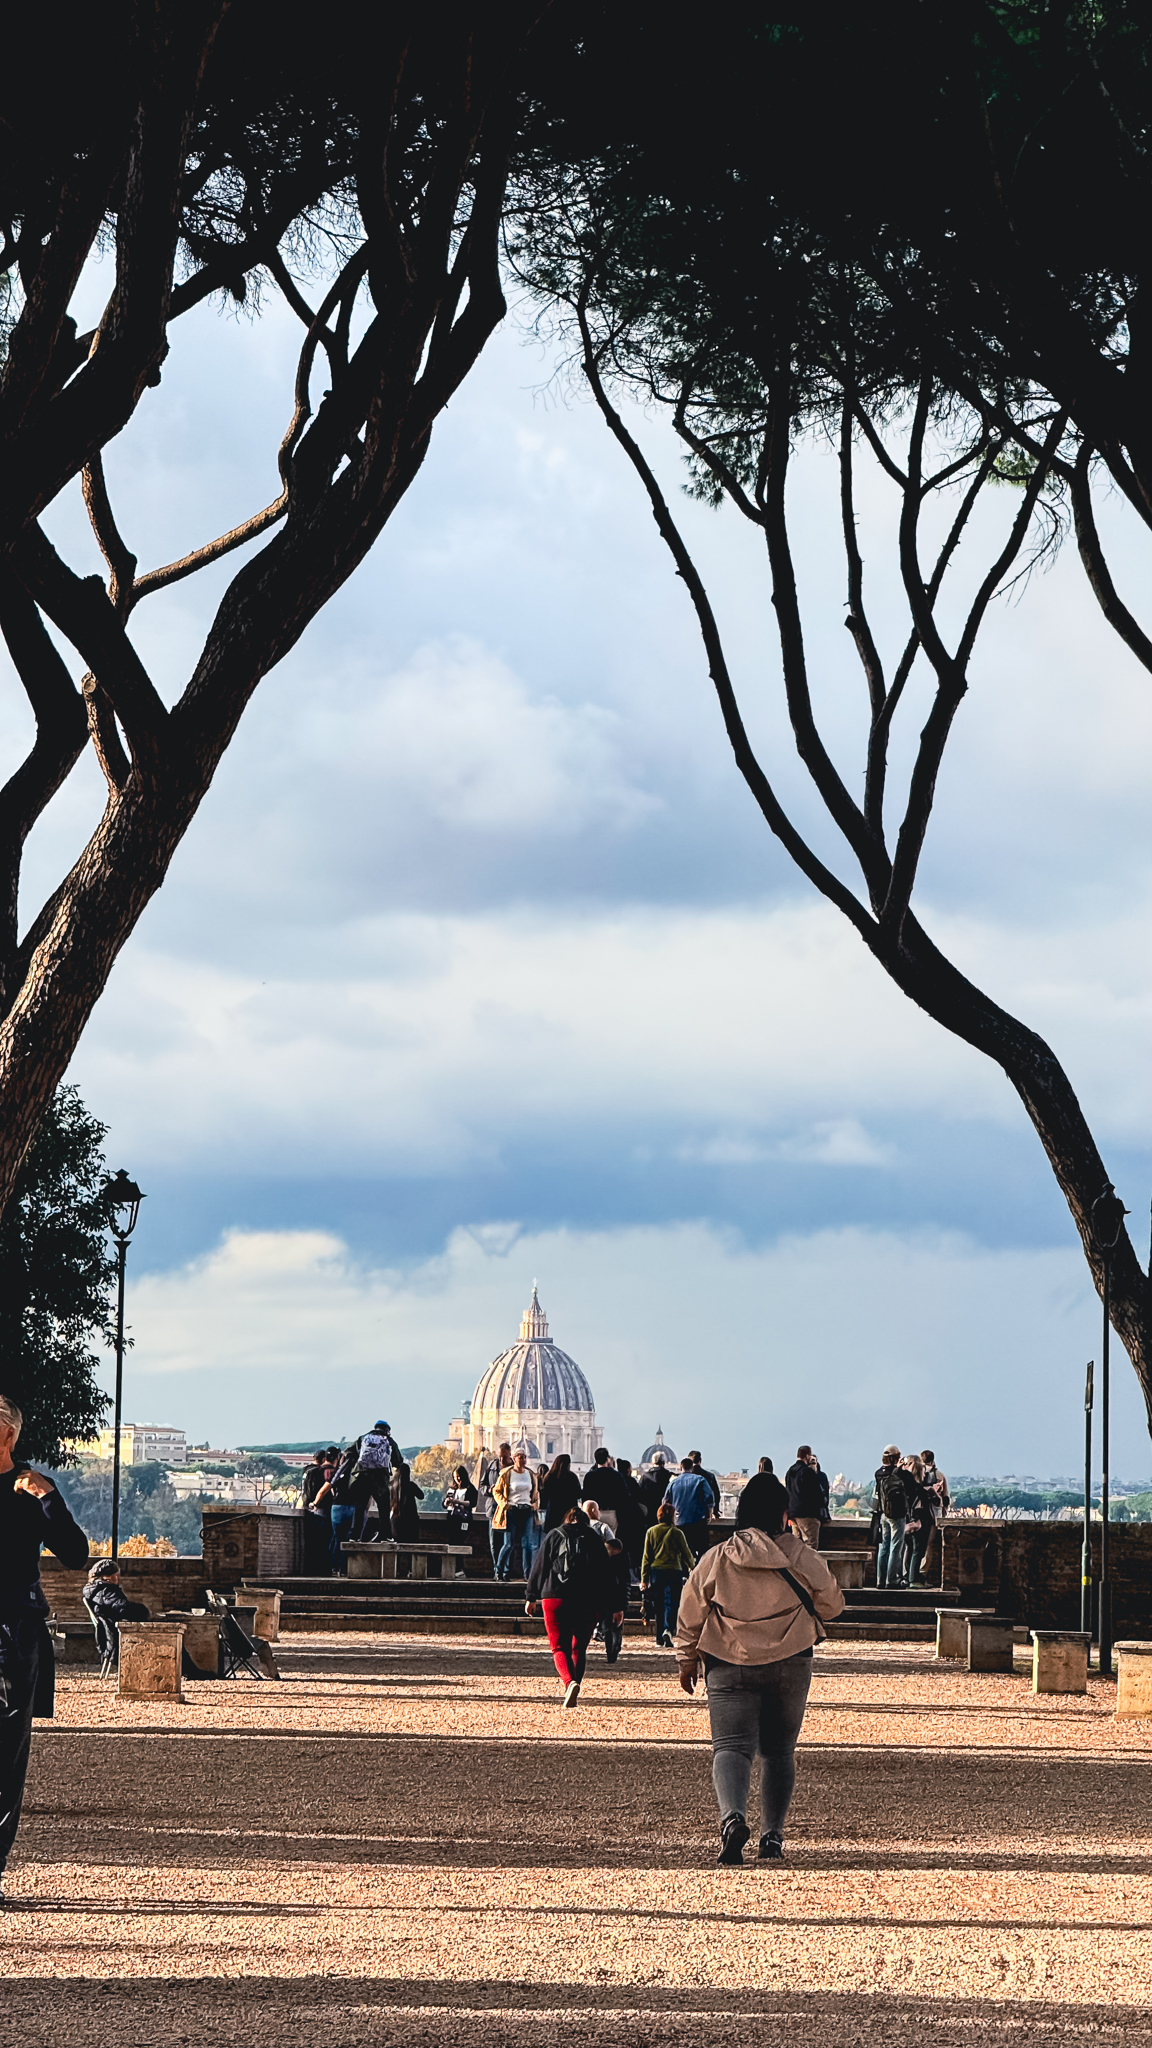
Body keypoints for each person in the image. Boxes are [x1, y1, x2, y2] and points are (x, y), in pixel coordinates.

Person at [675, 1466, 844, 1865]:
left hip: (728, 1658)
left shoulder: (718, 1558)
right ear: (784, 1514)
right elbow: (833, 1605)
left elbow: (690, 1611)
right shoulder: (800, 1555)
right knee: (779, 1752)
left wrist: (686, 1658)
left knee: (731, 1748)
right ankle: (772, 1836)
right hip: (791, 1659)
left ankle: (732, 1818)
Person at [0, 1392, 89, 1906]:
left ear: (7, 1434)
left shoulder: (32, 1490)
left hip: (15, 1629)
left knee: (6, 1751)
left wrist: (49, 1497)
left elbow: (76, 1555)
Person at [525, 1505, 622, 1708]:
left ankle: (569, 1683)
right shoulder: (594, 1538)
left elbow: (540, 1566)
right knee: (579, 1648)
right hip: (588, 1598)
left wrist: (531, 1596)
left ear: (566, 1519)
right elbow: (607, 1574)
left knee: (559, 1646)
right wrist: (616, 1605)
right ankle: (575, 1684)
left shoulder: (553, 1535)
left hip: (555, 1596)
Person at [640, 1500, 696, 1646]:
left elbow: (646, 1557)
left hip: (656, 1571)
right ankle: (668, 1629)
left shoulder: (651, 1532)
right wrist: (693, 1568)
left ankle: (659, 1637)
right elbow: (686, 1553)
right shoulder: (677, 1533)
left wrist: (644, 1579)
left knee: (658, 1604)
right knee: (671, 1602)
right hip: (674, 1571)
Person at [491, 1449, 538, 1581]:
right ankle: (498, 1571)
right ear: (514, 1459)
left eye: (525, 1457)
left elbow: (535, 1492)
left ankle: (528, 1575)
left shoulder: (530, 1474)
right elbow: (496, 1491)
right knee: (509, 1544)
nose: (523, 1460)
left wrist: (534, 1505)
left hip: (527, 1510)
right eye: (520, 1457)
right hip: (512, 1510)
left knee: (527, 1544)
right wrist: (505, 1504)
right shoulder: (506, 1473)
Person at [314, 1443, 358, 1573]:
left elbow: (323, 1490)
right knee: (350, 1539)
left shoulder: (338, 1472)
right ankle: (343, 1568)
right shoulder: (358, 1474)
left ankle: (333, 1567)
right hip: (352, 1507)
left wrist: (315, 1503)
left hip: (337, 1507)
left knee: (337, 1538)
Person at [352, 1421, 395, 1542]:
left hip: (363, 1478)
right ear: (387, 1430)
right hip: (380, 1481)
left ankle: (354, 1536)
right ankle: (386, 1535)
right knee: (384, 1508)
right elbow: (398, 1460)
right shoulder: (389, 1440)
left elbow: (350, 1453)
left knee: (360, 1507)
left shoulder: (363, 1438)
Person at [664, 1457, 714, 1559]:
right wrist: (709, 1514)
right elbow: (709, 1498)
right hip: (698, 1521)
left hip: (680, 1522)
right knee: (702, 1553)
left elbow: (666, 1502)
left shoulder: (673, 1483)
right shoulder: (700, 1480)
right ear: (692, 1467)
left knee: (681, 1553)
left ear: (681, 1467)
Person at [873, 1445, 908, 1589]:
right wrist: (901, 1468)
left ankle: (880, 1579)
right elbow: (911, 1487)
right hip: (897, 1514)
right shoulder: (900, 1473)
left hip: (883, 1513)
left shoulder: (878, 1473)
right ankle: (892, 1579)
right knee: (896, 1547)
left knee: (884, 1547)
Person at [84, 1558, 150, 1628]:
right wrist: (142, 1610)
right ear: (109, 1577)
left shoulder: (96, 1590)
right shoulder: (106, 1591)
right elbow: (123, 1608)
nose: (119, 1579)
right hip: (115, 1630)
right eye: (117, 1576)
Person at [477, 1443, 511, 1569]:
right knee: (494, 1543)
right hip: (493, 1508)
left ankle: (505, 1570)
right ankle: (497, 1569)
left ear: (510, 1455)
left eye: (504, 1457)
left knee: (508, 1543)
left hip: (508, 1510)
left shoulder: (514, 1469)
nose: (502, 1459)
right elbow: (482, 1486)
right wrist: (490, 1490)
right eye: (500, 1456)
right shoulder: (492, 1466)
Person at [784, 1447, 826, 1548]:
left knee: (797, 1546)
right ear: (807, 1456)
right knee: (811, 1545)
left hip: (793, 1513)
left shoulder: (790, 1471)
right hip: (807, 1514)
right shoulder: (807, 1471)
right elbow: (817, 1494)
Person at [580, 1448, 627, 1533]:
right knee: (611, 1537)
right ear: (607, 1459)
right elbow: (623, 1495)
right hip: (611, 1512)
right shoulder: (616, 1476)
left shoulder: (589, 1476)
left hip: (594, 1513)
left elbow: (585, 1496)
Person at [614, 1456, 646, 1576]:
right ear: (628, 1470)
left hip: (620, 1518)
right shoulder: (631, 1482)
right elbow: (639, 1497)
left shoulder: (616, 1481)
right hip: (632, 1518)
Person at [540, 1452, 581, 1531]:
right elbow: (578, 1494)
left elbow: (544, 1494)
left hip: (553, 1512)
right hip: (569, 1512)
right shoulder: (572, 1477)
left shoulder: (549, 1477)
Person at [443, 1466, 478, 1550]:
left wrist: (459, 1502)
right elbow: (444, 1504)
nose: (457, 1479)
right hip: (452, 1518)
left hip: (464, 1519)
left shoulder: (470, 1489)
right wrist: (446, 1502)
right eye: (455, 1477)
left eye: (458, 1476)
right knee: (452, 1542)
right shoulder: (452, 1489)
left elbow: (472, 1503)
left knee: (460, 1541)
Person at [689, 1451, 722, 1517]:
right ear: (700, 1460)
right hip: (705, 1512)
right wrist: (715, 1510)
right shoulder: (710, 1476)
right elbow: (716, 1494)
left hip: (688, 1512)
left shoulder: (684, 1478)